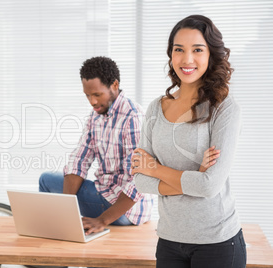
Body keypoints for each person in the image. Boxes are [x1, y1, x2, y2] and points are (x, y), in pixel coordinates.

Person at [132, 15, 246, 267]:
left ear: (211, 55)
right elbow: (140, 180)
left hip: (217, 242)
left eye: (197, 50)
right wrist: (196, 176)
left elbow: (209, 186)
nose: (187, 59)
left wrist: (156, 169)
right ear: (170, 55)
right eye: (179, 50)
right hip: (169, 240)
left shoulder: (224, 109)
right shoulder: (155, 109)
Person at [39, 56, 153, 235]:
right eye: (87, 95)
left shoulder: (132, 117)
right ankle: (64, 226)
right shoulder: (97, 115)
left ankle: (55, 250)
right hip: (107, 195)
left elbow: (141, 180)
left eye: (97, 94)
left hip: (126, 210)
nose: (92, 101)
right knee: (63, 187)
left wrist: (102, 220)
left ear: (114, 85)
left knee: (46, 181)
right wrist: (66, 208)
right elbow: (79, 159)